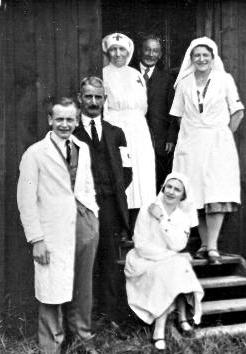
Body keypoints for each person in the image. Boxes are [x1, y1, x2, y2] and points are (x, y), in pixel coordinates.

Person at [17, 97, 99, 354]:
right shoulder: (35, 153)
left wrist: (92, 214)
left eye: (70, 119)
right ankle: (51, 350)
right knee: (52, 286)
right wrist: (36, 239)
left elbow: (85, 186)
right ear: (50, 120)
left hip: (83, 223)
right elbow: (26, 200)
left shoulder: (82, 148)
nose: (65, 124)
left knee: (82, 286)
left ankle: (83, 341)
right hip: (51, 230)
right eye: (60, 119)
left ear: (77, 121)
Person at [170, 36, 244, 265]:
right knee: (195, 195)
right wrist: (189, 137)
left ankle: (213, 247)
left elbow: (238, 112)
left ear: (213, 59)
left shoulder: (224, 79)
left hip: (218, 144)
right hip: (191, 143)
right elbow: (178, 115)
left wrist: (223, 136)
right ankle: (202, 245)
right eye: (197, 55)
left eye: (206, 55)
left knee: (215, 193)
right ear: (191, 59)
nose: (201, 59)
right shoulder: (184, 83)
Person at [73, 76, 132, 326]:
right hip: (82, 207)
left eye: (98, 97)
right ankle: (82, 318)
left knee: (109, 261)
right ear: (80, 99)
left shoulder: (116, 133)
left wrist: (110, 193)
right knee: (85, 262)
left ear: (105, 100)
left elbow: (127, 171)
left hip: (109, 206)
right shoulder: (71, 131)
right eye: (89, 96)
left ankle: (109, 318)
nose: (93, 102)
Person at [125, 172, 204, 351]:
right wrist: (168, 257)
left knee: (172, 268)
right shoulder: (148, 208)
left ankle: (160, 330)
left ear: (183, 195)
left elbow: (178, 244)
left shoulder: (182, 217)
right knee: (176, 265)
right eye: (169, 187)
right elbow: (140, 244)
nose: (171, 192)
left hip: (168, 262)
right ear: (163, 188)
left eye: (177, 190)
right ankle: (180, 318)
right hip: (142, 260)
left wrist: (162, 219)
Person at [102, 32, 156, 231]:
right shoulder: (103, 73)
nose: (118, 54)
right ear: (108, 52)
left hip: (138, 128)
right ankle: (122, 226)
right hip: (117, 126)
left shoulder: (136, 75)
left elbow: (143, 106)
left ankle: (140, 226)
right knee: (123, 172)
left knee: (142, 174)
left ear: (129, 52)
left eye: (122, 49)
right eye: (113, 50)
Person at [132, 34, 179, 190]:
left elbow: (173, 110)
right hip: (134, 136)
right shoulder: (130, 74)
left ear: (159, 55)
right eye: (147, 50)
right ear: (139, 51)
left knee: (157, 180)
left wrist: (171, 138)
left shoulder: (167, 78)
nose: (151, 54)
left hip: (159, 140)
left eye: (155, 51)